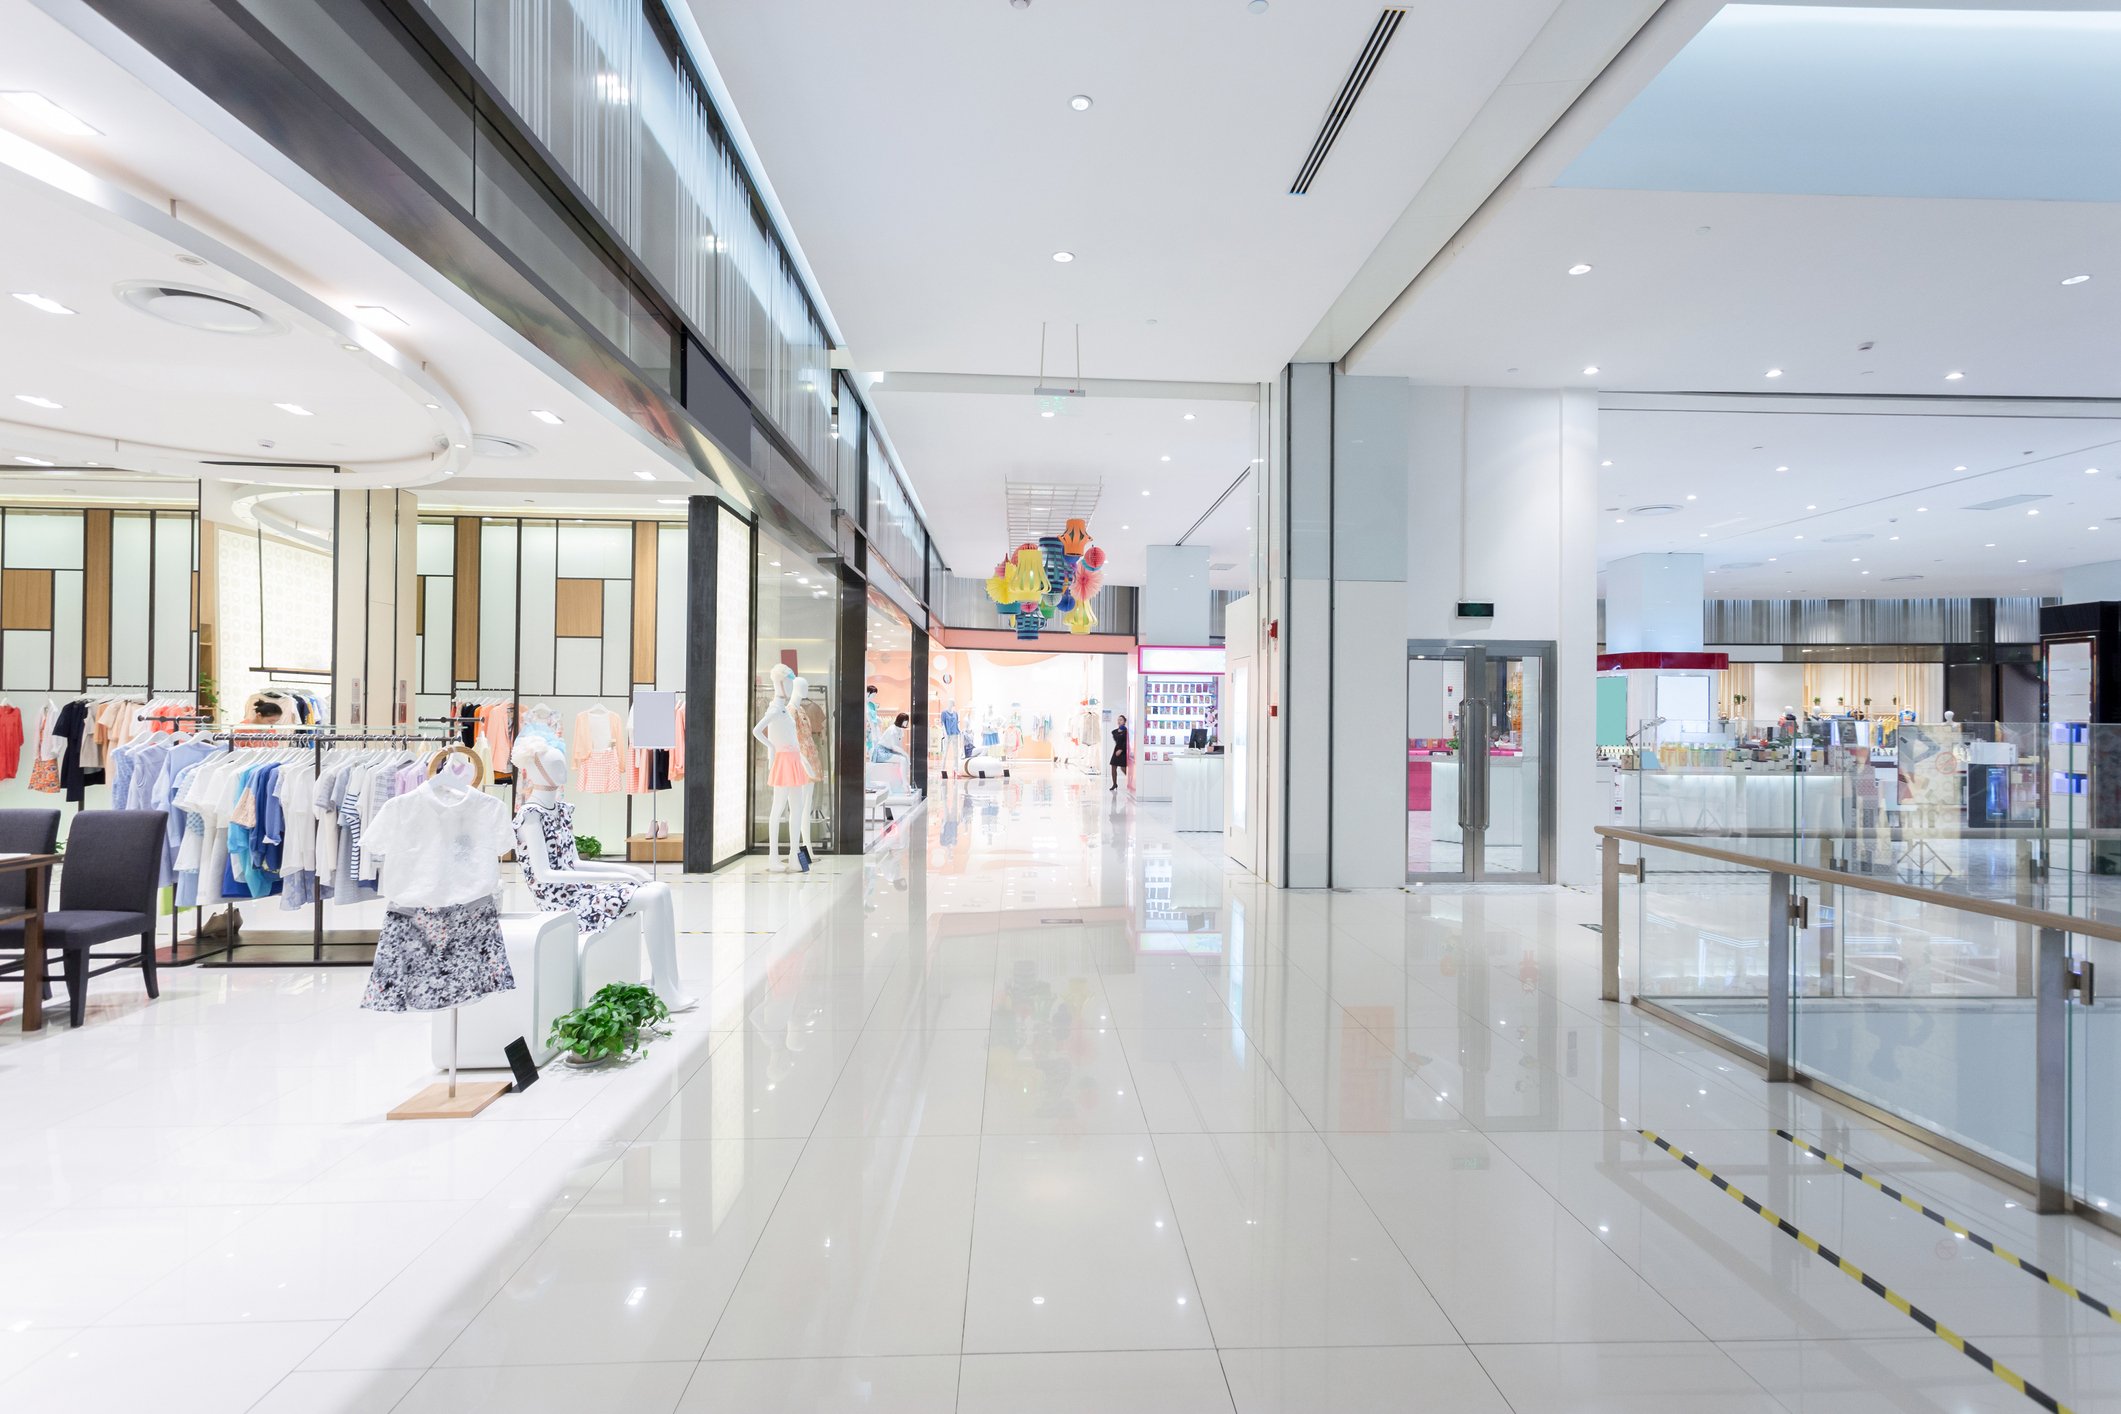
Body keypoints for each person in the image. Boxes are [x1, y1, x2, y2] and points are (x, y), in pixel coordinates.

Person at [1109, 714, 1129, 791]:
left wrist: (1121, 750)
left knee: (1123, 768)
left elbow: (1126, 742)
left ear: (1124, 722)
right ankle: (1114, 784)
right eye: (1118, 720)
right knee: (1113, 767)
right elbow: (1117, 739)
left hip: (1123, 751)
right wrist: (1119, 732)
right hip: (1116, 750)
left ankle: (1132, 781)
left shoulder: (1127, 731)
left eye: (1121, 720)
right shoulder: (1115, 732)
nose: (1119, 721)